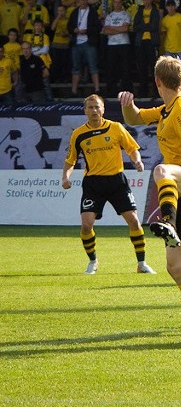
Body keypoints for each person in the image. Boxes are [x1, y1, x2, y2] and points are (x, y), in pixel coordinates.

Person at [118, 57, 181, 343]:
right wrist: (127, 104)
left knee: (162, 170)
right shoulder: (168, 108)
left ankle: (168, 222)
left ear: (157, 81)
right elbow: (136, 118)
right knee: (177, 268)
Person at [62, 94, 154, 275]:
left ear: (103, 109)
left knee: (134, 221)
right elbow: (70, 160)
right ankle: (93, 261)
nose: (94, 111)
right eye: (90, 107)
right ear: (85, 111)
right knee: (86, 225)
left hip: (116, 181)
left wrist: (137, 161)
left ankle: (141, 264)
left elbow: (132, 148)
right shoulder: (78, 134)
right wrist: (65, 176)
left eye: (97, 107)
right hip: (93, 183)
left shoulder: (116, 128)